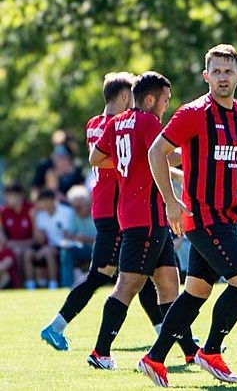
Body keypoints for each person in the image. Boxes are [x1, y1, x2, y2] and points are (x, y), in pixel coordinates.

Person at [138, 45, 237, 387]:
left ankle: (154, 358)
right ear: (206, 76)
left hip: (228, 215)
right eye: (215, 72)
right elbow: (157, 151)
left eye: (228, 71)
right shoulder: (193, 113)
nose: (222, 77)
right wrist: (171, 202)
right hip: (202, 216)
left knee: (197, 291)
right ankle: (211, 352)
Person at [41, 72, 164, 352]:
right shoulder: (119, 125)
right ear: (124, 97)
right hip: (117, 210)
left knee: (139, 274)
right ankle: (56, 326)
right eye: (130, 98)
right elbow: (128, 159)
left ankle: (168, 334)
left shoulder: (94, 124)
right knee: (103, 274)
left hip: (104, 207)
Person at [86, 71, 198, 370]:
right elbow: (163, 155)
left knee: (169, 283)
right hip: (145, 215)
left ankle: (189, 350)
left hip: (138, 214)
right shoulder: (148, 122)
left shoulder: (116, 122)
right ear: (150, 99)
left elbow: (96, 157)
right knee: (128, 284)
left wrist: (131, 163)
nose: (165, 106)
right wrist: (193, 153)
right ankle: (100, 352)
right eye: (164, 101)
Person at [58, 185, 97, 287]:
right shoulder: (74, 215)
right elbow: (70, 234)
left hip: (99, 250)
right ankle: (67, 286)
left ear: (88, 204)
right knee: (66, 251)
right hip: (85, 249)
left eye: (79, 207)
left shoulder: (97, 214)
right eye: (74, 207)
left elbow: (107, 238)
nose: (77, 210)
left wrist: (86, 239)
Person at [1, 182, 36, 288]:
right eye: (7, 196)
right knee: (15, 252)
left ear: (20, 195)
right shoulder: (3, 212)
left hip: (32, 246)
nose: (8, 199)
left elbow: (37, 239)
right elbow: (3, 240)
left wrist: (18, 244)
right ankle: (18, 284)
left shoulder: (31, 209)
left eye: (11, 196)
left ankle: (30, 284)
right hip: (12, 248)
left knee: (24, 253)